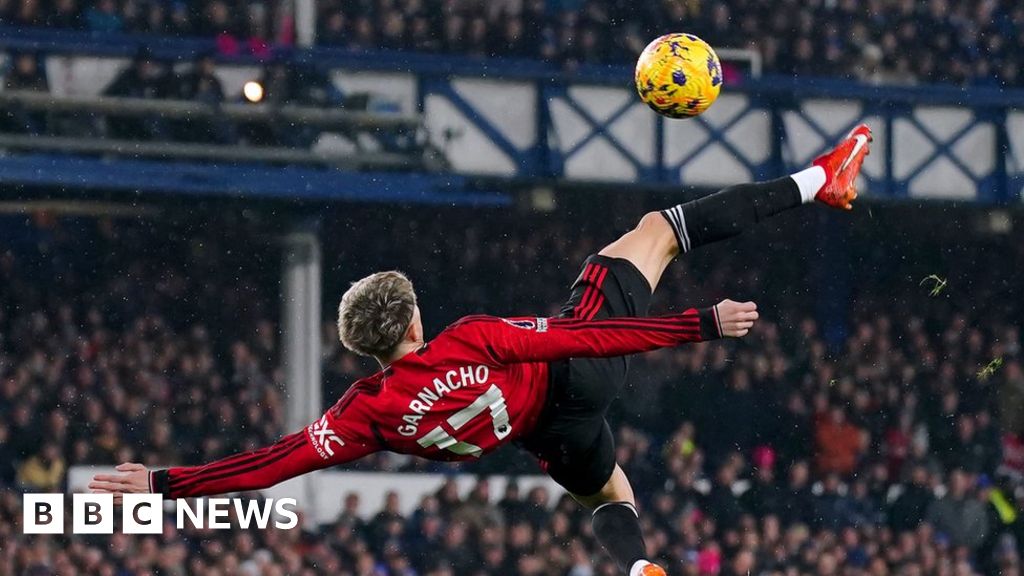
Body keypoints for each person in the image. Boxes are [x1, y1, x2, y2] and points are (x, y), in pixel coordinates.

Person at [90, 125, 872, 576]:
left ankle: (636, 568)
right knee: (657, 231)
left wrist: (165, 484)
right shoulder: (468, 339)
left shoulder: (364, 413)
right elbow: (584, 335)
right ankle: (820, 180)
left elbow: (274, 462)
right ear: (412, 321)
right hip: (575, 371)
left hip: (545, 434)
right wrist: (695, 325)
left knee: (611, 497)